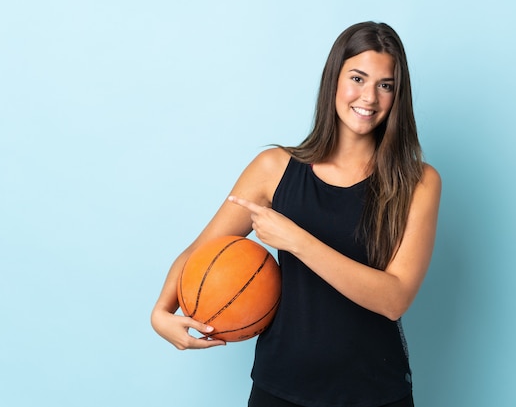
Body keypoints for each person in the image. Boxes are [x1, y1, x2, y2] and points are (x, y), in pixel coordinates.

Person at [151, 21, 441, 407]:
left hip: (375, 391)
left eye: (385, 85)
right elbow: (199, 253)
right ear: (333, 80)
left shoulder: (418, 181)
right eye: (357, 78)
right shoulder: (273, 168)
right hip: (279, 389)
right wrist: (160, 312)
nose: (369, 97)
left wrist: (296, 240)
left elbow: (394, 299)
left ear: (397, 95)